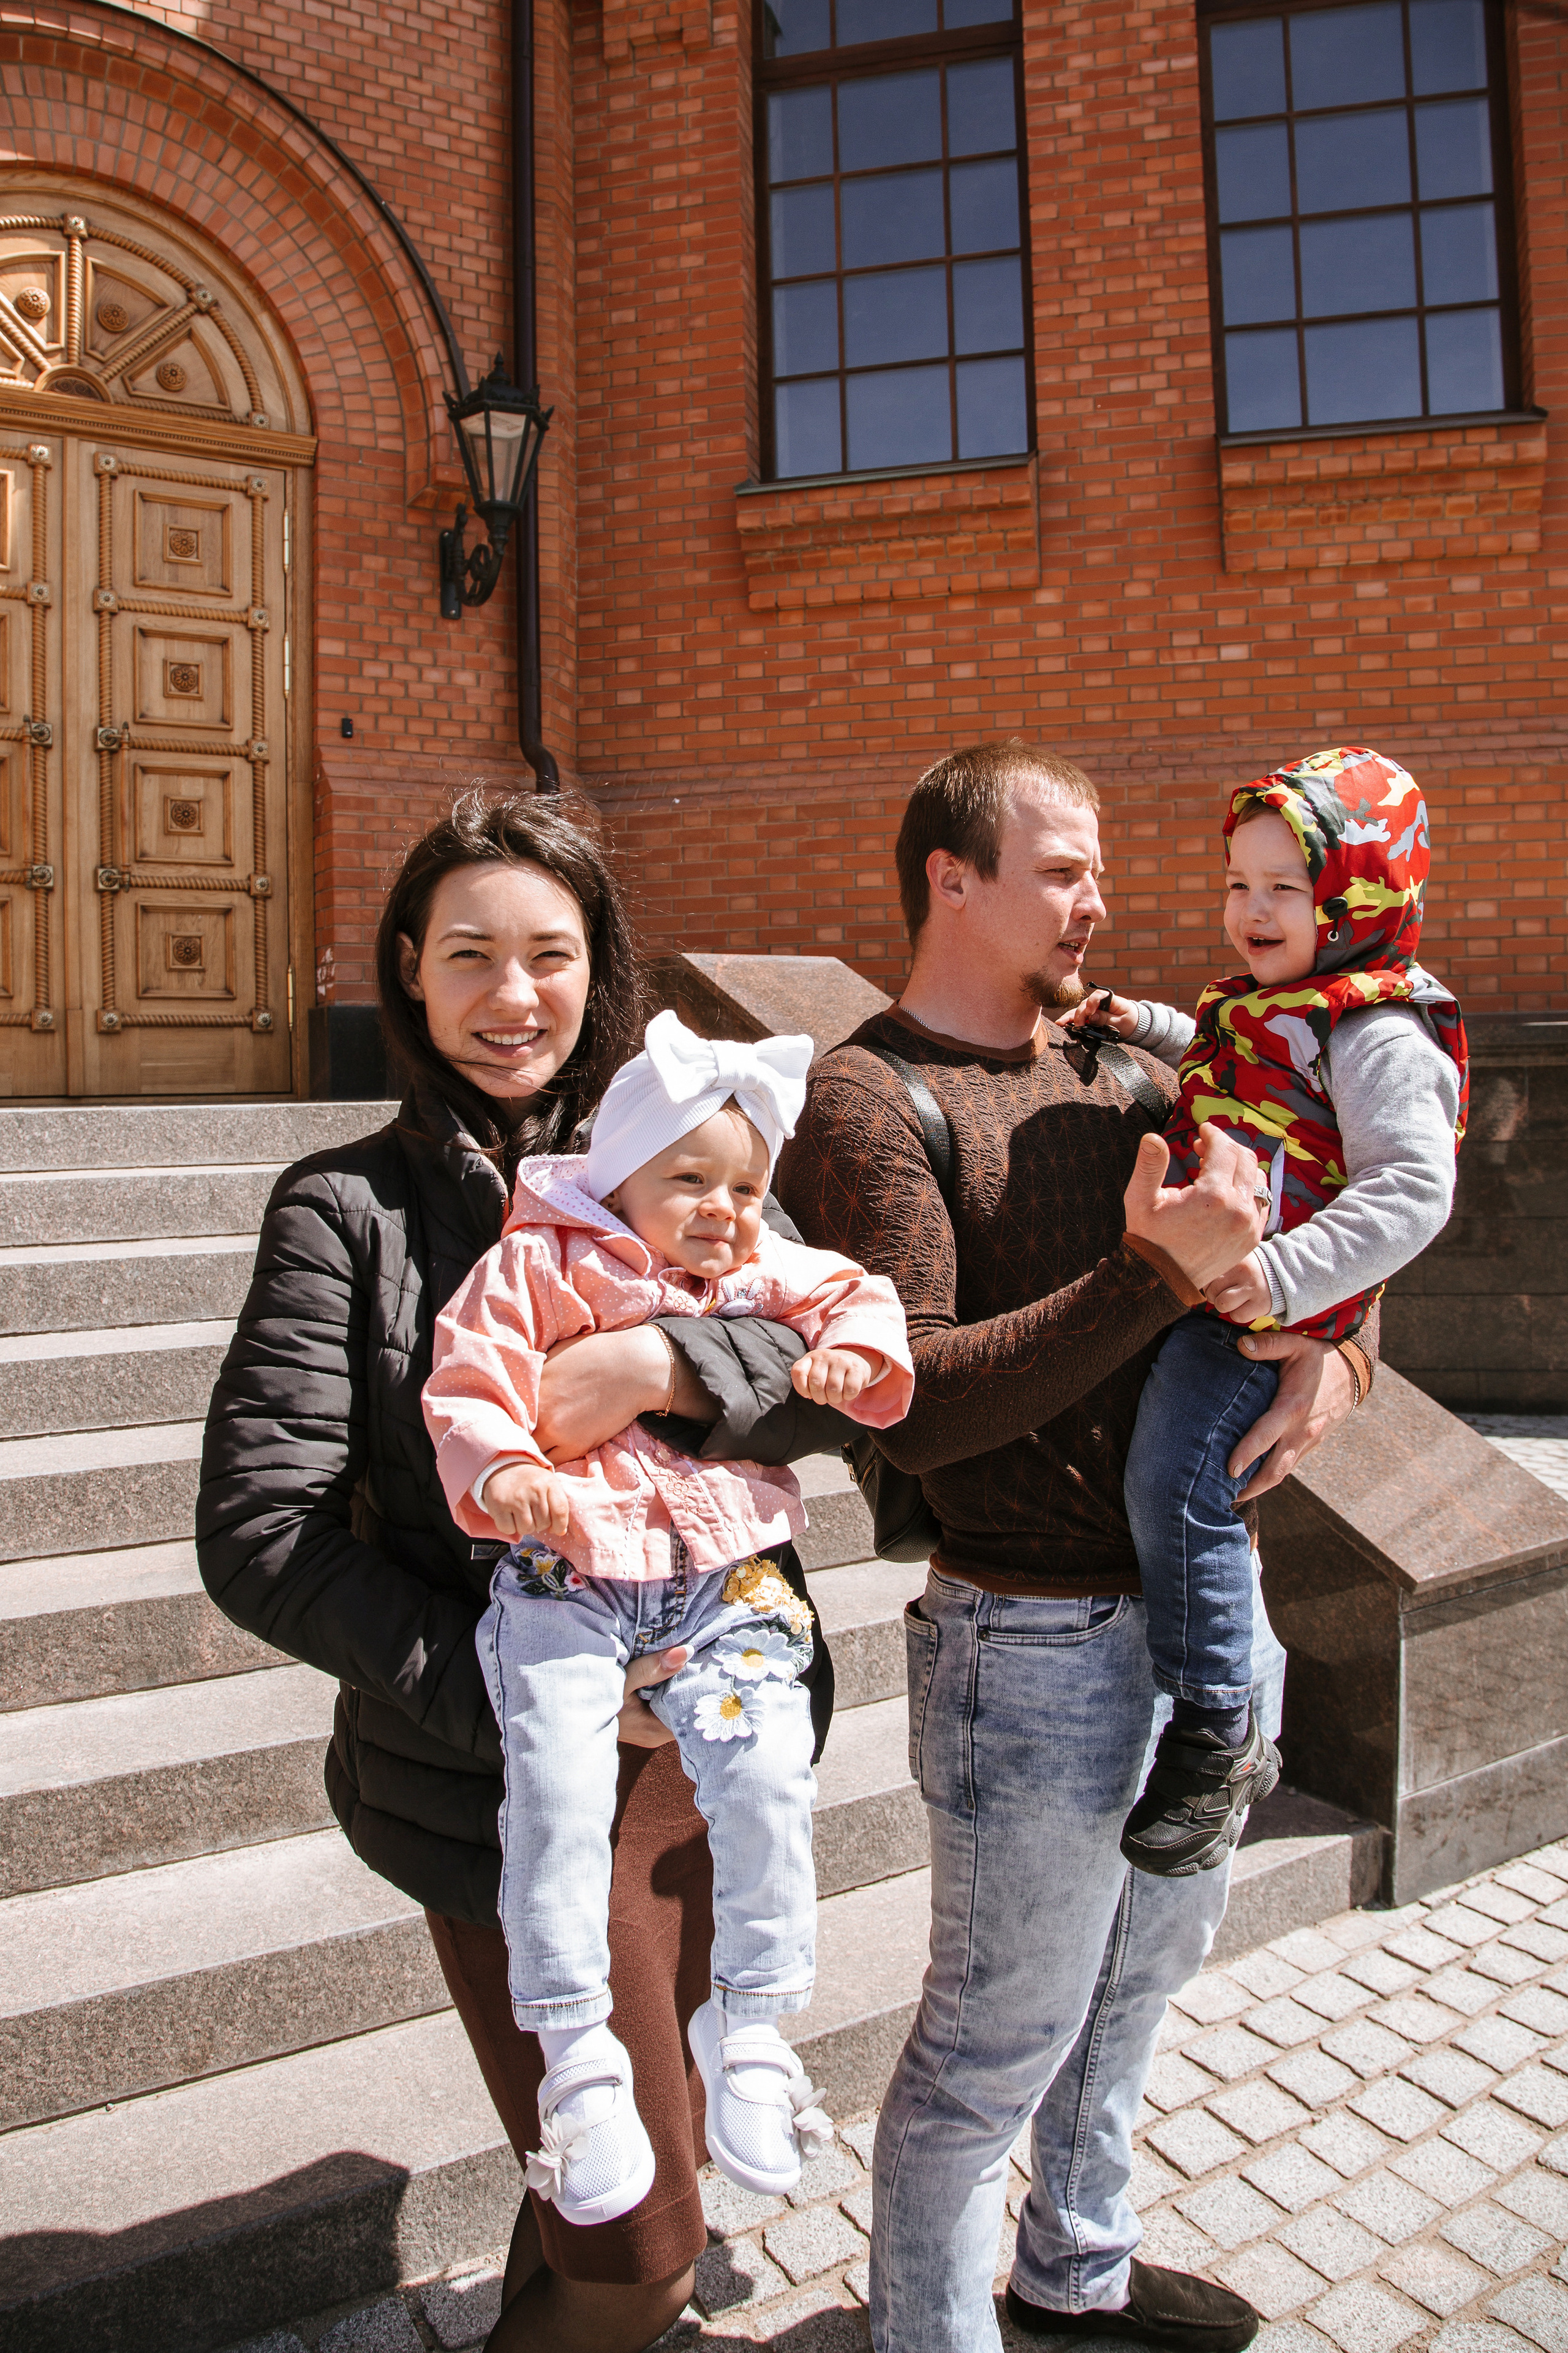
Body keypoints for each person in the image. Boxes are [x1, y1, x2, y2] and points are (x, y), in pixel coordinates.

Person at [197, 790, 853, 2353]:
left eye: (550, 956)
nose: (514, 998)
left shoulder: (684, 1153)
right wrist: (531, 1695)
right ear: (408, 974)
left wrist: (652, 1361)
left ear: (600, 969)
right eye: (470, 956)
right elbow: (260, 1530)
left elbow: (821, 1352)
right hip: (500, 1773)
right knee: (640, 2248)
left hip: (706, 1746)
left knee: (642, 2146)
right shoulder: (344, 1212)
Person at [775, 737, 1376, 2353]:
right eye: (1061, 871)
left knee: (1135, 1996)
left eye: (1101, 872)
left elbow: (1321, 1190)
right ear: (948, 880)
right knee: (988, 2053)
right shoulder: (865, 1101)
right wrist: (1148, 1279)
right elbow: (907, 1407)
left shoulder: (1123, 1064)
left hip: (1207, 1625)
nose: (1100, 904)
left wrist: (1345, 1356)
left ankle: (1077, 2269)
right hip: (1026, 1650)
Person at [422, 1009, 912, 2219]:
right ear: (615, 1176)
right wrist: (500, 1473)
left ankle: (749, 2020)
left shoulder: (745, 1272)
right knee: (556, 1791)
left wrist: (847, 1349)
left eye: (745, 1186)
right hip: (567, 1572)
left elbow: (857, 1289)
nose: (722, 1207)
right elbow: (466, 1381)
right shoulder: (538, 1264)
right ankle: (576, 2056)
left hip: (722, 1576)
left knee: (766, 1772)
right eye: (687, 1178)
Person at [1061, 747, 1467, 1879]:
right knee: (1175, 1476)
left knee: (1180, 1477)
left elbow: (1412, 1190)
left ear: (1360, 894)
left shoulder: (1382, 1031)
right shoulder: (1276, 1003)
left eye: (1286, 887)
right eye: (1238, 884)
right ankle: (1217, 1702)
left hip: (1264, 1305)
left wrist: (1291, 1283)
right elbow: (1233, 1065)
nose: (1252, 910)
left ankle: (1220, 1724)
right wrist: (1141, 1021)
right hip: (1226, 1281)